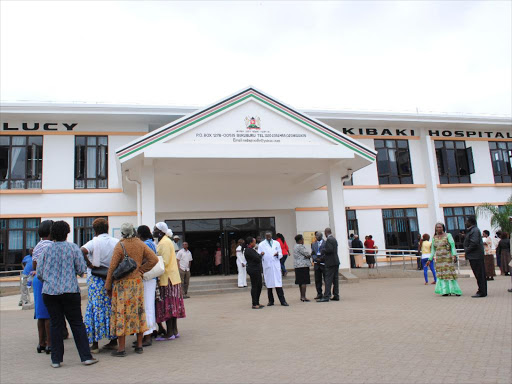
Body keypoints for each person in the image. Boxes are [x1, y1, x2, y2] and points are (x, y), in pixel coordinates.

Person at [37, 220, 97, 368]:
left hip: (50, 293)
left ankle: (56, 360)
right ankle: (86, 357)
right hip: (70, 291)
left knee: (55, 324)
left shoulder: (46, 250)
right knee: (77, 323)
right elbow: (81, 269)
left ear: (52, 234)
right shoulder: (73, 248)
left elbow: (39, 273)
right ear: (67, 233)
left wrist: (50, 280)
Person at [105, 223, 158, 357]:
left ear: (122, 233)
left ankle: (121, 348)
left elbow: (112, 267)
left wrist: (107, 286)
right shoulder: (140, 244)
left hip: (122, 285)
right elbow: (154, 259)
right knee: (138, 312)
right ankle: (139, 346)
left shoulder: (120, 245)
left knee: (121, 314)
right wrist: (141, 270)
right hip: (137, 284)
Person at [81, 218, 118, 353]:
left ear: (95, 230)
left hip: (96, 279)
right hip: (111, 277)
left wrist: (90, 264)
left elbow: (82, 250)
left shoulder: (94, 242)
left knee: (95, 309)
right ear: (107, 228)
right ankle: (113, 340)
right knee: (111, 308)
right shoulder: (115, 241)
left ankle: (95, 344)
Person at [153, 222, 186, 340]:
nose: (153, 231)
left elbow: (164, 261)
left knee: (168, 306)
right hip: (172, 278)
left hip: (167, 279)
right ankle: (174, 331)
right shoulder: (167, 241)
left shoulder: (164, 243)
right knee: (173, 306)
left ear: (161, 231)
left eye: (155, 229)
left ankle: (170, 333)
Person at [32, 220, 53, 354]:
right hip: (48, 280)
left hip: (37, 281)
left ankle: (41, 343)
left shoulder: (38, 246)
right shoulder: (52, 245)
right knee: (49, 313)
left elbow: (34, 266)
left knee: (40, 314)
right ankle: (50, 344)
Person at [137, 225, 159, 347]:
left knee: (147, 307)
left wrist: (139, 268)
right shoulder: (150, 243)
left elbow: (149, 259)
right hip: (149, 279)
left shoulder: (147, 244)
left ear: (140, 234)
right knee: (148, 306)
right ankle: (148, 332)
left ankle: (148, 335)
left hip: (148, 279)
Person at [427, 223, 462, 296]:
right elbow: (433, 250)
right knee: (442, 275)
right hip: (439, 259)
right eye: (437, 227)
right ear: (435, 228)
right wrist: (430, 259)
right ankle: (445, 291)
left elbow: (452, 246)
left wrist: (454, 255)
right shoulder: (434, 238)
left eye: (440, 227)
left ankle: (454, 290)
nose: (439, 228)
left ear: (443, 228)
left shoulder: (448, 235)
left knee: (449, 274)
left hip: (447, 258)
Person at [258, 232, 288, 306]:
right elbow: (259, 254)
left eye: (269, 236)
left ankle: (283, 301)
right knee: (269, 285)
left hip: (275, 265)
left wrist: (278, 254)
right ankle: (271, 301)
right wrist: (261, 254)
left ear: (271, 236)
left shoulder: (276, 243)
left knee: (278, 284)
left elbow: (281, 253)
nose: (268, 237)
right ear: (265, 236)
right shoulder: (261, 244)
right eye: (267, 236)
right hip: (268, 266)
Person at [463, 217, 487, 298]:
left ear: (471, 222)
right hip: (474, 255)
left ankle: (482, 291)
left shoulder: (475, 230)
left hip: (475, 256)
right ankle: (481, 290)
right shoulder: (472, 230)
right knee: (479, 274)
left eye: (467, 221)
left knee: (479, 274)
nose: (465, 223)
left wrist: (466, 250)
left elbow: (474, 243)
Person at [318, 228, 340, 302]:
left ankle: (326, 296)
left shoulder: (329, 240)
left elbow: (329, 250)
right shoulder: (334, 239)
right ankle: (336, 295)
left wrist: (323, 250)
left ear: (326, 232)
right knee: (335, 279)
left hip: (330, 263)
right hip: (335, 261)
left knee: (328, 279)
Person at [244, 237, 264, 309]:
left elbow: (258, 257)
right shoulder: (248, 250)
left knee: (259, 286)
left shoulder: (252, 250)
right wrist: (260, 256)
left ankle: (257, 302)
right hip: (253, 270)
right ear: (250, 243)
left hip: (257, 269)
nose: (255, 243)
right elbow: (257, 259)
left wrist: (259, 255)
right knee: (255, 286)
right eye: (254, 242)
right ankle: (254, 303)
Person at [293, 234, 311, 302]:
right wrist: (309, 255)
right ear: (300, 240)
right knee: (304, 281)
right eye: (303, 239)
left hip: (297, 266)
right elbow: (308, 254)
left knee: (300, 282)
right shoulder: (300, 246)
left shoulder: (295, 246)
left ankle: (301, 296)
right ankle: (303, 297)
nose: (303, 240)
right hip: (303, 265)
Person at [311, 231, 325, 299]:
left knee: (326, 279)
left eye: (318, 236)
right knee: (317, 280)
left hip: (323, 263)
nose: (316, 237)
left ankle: (327, 293)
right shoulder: (313, 244)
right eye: (316, 235)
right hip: (317, 264)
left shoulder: (325, 243)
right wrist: (315, 259)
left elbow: (326, 253)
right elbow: (313, 253)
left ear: (321, 236)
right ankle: (319, 293)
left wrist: (321, 259)